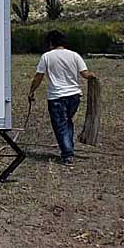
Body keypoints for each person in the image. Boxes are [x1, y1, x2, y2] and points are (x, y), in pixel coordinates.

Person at [28, 30, 97, 164]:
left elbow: (39, 77)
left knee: (60, 125)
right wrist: (92, 76)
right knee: (67, 121)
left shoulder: (47, 57)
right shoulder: (74, 55)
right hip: (74, 96)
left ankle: (67, 154)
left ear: (50, 42)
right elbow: (85, 74)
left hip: (57, 97)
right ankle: (69, 148)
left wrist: (31, 91)